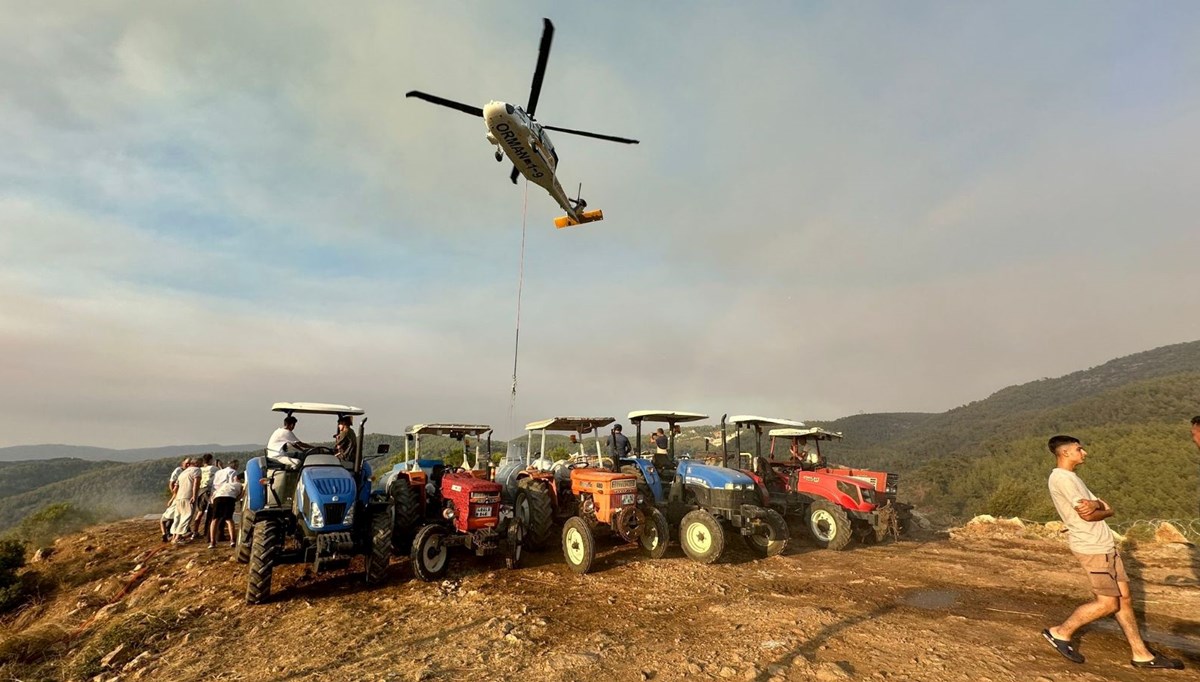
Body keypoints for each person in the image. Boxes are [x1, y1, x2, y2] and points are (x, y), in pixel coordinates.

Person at [1042, 435, 1183, 670]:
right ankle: (1060, 632)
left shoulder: (1073, 478)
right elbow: (1092, 512)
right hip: (1091, 547)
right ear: (1065, 453)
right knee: (1108, 604)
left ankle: (1141, 654)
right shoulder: (1062, 479)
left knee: (1124, 599)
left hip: (1104, 544)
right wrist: (1103, 509)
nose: (1084, 452)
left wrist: (1099, 506)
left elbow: (1102, 505)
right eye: (1079, 449)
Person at [209, 459, 243, 549]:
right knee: (228, 519)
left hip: (217, 495)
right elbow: (239, 494)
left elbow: (214, 485)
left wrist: (212, 498)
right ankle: (232, 540)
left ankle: (212, 542)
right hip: (229, 496)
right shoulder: (234, 474)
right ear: (235, 466)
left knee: (215, 519)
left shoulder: (219, 472)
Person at [172, 458, 201, 544]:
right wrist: (194, 495)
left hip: (179, 497)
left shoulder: (182, 473)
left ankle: (174, 536)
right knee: (187, 517)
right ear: (196, 463)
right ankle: (178, 538)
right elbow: (196, 483)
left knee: (178, 517)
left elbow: (175, 488)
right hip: (188, 496)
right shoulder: (196, 470)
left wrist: (175, 497)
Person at [193, 453, 218, 536]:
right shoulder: (214, 468)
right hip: (209, 490)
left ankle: (195, 531)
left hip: (200, 490)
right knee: (213, 511)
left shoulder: (200, 469)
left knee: (200, 512)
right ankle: (209, 531)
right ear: (211, 460)